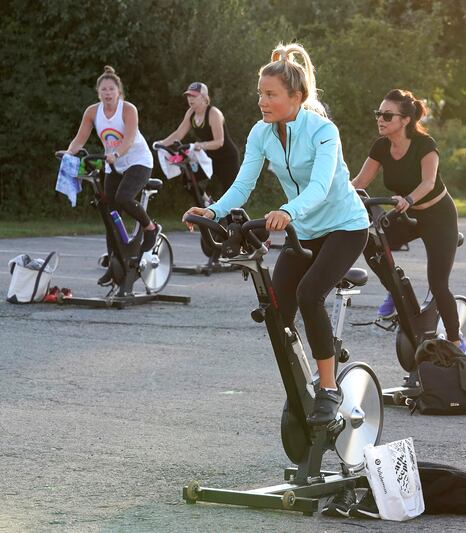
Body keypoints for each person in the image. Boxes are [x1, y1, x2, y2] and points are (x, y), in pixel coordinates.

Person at [182, 43, 369, 426]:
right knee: (277, 308)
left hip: (345, 227)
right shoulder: (261, 133)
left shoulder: (323, 131)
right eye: (260, 94)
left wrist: (287, 211)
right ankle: (312, 366)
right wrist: (213, 209)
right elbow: (242, 184)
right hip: (307, 229)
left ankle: (330, 387)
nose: (262, 102)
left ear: (296, 97)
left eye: (271, 95)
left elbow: (319, 187)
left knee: (309, 294)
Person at [351, 89, 466, 351]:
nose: (380, 119)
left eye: (387, 115)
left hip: (438, 215)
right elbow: (360, 183)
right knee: (372, 243)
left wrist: (410, 199)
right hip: (406, 212)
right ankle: (395, 288)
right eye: (378, 114)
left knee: (438, 283)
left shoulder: (425, 145)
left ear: (404, 120)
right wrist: (335, 194)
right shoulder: (381, 146)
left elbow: (429, 182)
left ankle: (456, 340)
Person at [64, 66, 159, 285]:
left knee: (123, 198)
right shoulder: (92, 112)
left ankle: (150, 227)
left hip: (137, 161)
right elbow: (80, 139)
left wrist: (116, 153)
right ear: (99, 93)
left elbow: (129, 137)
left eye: (111, 89)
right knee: (109, 212)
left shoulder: (128, 109)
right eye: (104, 90)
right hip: (113, 164)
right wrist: (68, 153)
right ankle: (114, 265)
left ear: (119, 92)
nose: (107, 93)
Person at [155, 82, 241, 199]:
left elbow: (219, 142)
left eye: (194, 96)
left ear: (204, 97)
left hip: (227, 158)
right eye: (189, 96)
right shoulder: (191, 113)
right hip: (210, 157)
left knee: (231, 194)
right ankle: (207, 204)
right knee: (189, 181)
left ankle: (234, 216)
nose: (190, 99)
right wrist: (161, 144)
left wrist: (199, 145)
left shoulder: (213, 113)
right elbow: (179, 133)